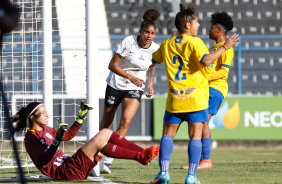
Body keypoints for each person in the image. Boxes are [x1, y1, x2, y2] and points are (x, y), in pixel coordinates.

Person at [149, 4, 239, 184]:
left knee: (167, 134)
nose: (200, 26)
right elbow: (206, 61)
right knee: (195, 136)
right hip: (196, 97)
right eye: (197, 22)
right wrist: (225, 47)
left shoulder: (167, 43)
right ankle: (191, 176)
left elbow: (153, 60)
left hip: (175, 97)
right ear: (188, 24)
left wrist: (149, 83)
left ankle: (164, 173)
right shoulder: (196, 43)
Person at [13, 101, 159, 181]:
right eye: (43, 113)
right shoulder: (30, 138)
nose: (47, 115)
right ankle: (141, 156)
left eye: (46, 112)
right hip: (67, 171)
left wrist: (79, 119)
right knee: (100, 139)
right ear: (32, 117)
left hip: (71, 165)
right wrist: (56, 141)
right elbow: (44, 160)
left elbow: (68, 136)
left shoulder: (47, 129)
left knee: (106, 132)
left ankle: (143, 154)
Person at [99, 9, 160, 174]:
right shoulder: (128, 42)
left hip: (135, 87)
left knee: (125, 121)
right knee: (106, 125)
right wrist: (129, 76)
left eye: (152, 33)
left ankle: (107, 161)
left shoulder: (155, 48)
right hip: (116, 84)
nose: (149, 35)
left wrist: (151, 84)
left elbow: (152, 65)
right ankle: (95, 154)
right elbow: (112, 65)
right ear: (140, 32)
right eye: (146, 32)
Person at [182, 11, 235, 170]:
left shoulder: (226, 48)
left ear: (219, 29)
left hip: (215, 89)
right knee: (197, 122)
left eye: (212, 27)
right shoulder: (214, 47)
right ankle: (199, 160)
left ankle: (206, 160)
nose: (208, 30)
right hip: (206, 88)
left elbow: (223, 73)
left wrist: (204, 78)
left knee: (203, 121)